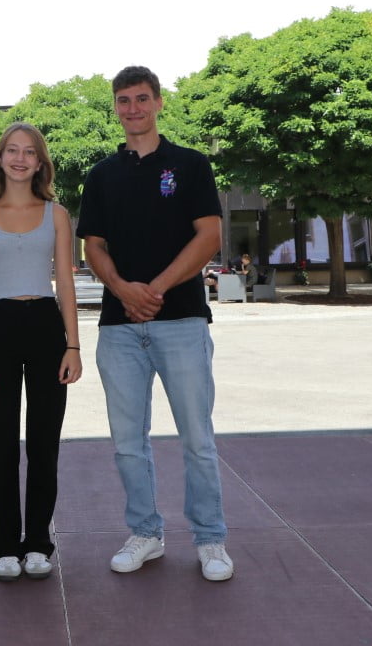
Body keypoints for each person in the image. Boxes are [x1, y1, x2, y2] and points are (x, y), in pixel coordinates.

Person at [76, 66, 234, 582]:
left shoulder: (190, 165)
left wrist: (158, 288)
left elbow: (209, 236)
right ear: (116, 107)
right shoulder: (101, 175)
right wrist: (123, 290)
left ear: (159, 103)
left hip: (183, 321)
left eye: (141, 99)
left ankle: (211, 540)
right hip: (119, 329)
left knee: (196, 438)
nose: (133, 109)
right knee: (127, 442)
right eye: (123, 100)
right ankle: (146, 533)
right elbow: (92, 245)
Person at [0, 122, 82, 582]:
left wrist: (73, 344)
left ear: (40, 162)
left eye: (28, 152)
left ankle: (38, 543)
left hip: (46, 328)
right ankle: (6, 547)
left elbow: (67, 285)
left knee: (43, 443)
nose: (19, 158)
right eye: (11, 151)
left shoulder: (57, 214)